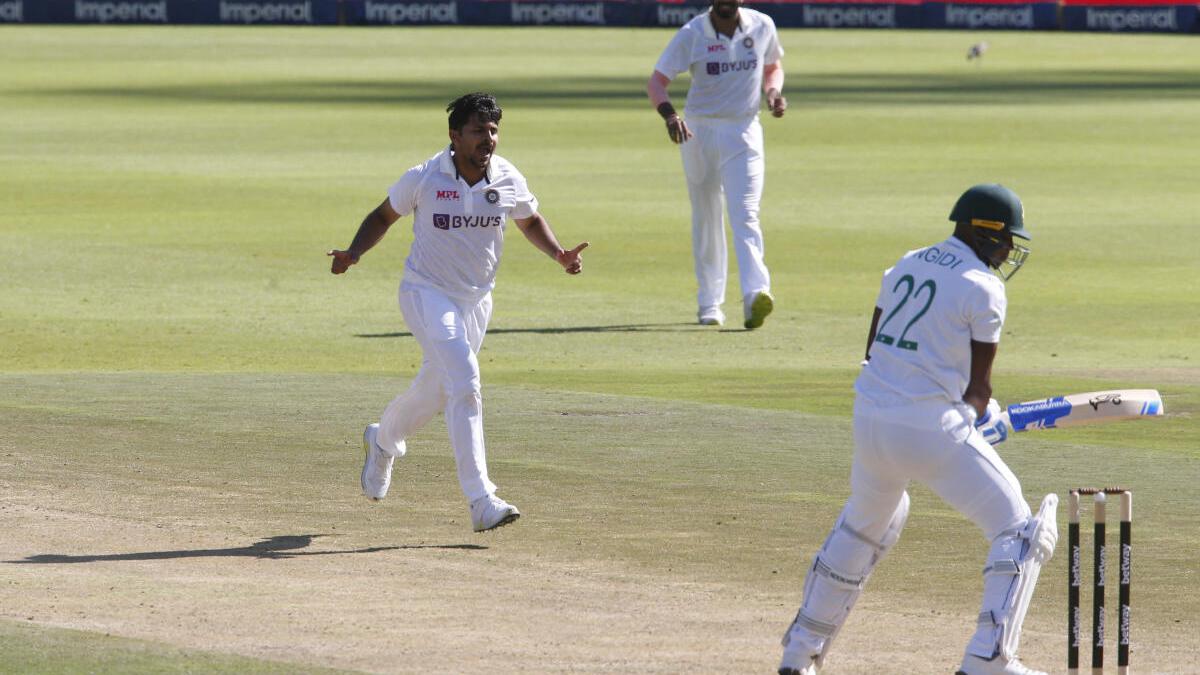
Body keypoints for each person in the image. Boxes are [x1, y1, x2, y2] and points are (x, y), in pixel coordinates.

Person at [777, 184, 1058, 675]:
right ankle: (988, 659)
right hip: (930, 427)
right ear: (981, 231)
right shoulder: (984, 286)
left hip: (870, 420)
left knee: (866, 524)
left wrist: (967, 417)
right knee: (1021, 528)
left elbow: (874, 352)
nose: (1010, 250)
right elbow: (979, 387)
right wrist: (976, 417)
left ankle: (799, 652)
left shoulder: (905, 263)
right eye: (1007, 239)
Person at [327, 93, 588, 533]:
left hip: (476, 300)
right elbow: (383, 215)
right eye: (478, 131)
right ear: (454, 136)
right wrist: (353, 252)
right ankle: (481, 499)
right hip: (425, 292)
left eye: (493, 130)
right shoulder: (426, 176)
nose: (488, 139)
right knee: (465, 380)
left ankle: (384, 439)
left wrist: (559, 254)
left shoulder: (506, 177)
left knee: (437, 391)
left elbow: (528, 219)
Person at [646, 0, 786, 329]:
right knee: (707, 215)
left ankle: (755, 295)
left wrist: (773, 92)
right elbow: (656, 82)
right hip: (700, 131)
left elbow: (772, 66)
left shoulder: (762, 25)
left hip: (744, 129)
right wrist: (670, 116)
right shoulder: (692, 33)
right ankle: (709, 303)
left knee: (746, 213)